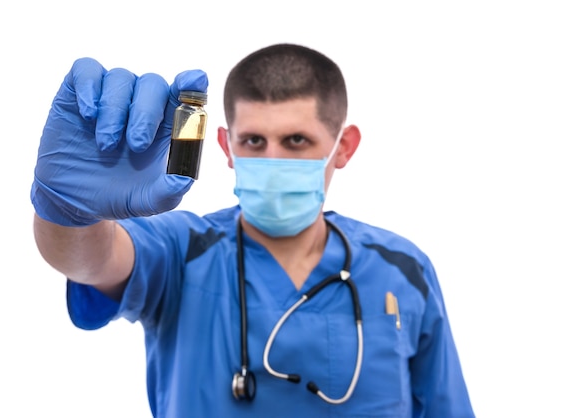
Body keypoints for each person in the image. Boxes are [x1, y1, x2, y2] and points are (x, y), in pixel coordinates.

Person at [31, 43, 475, 417]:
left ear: (343, 147)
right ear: (226, 146)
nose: (274, 161)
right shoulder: (181, 251)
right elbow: (91, 259)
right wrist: (71, 211)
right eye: (254, 142)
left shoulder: (402, 269)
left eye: (297, 141)